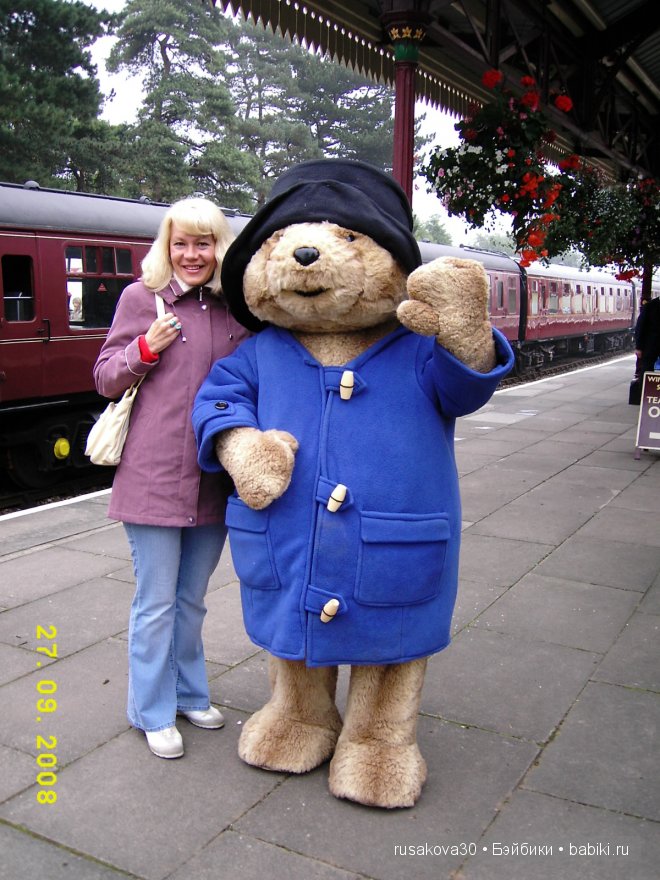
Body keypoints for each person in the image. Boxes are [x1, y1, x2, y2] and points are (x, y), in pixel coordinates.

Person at [93, 198, 250, 759]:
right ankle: (151, 710)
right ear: (167, 245)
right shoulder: (143, 299)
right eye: (181, 242)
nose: (192, 254)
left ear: (218, 248)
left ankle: (188, 692)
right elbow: (106, 378)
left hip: (212, 477)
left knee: (191, 599)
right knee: (156, 601)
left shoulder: (235, 308)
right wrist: (143, 349)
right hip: (154, 476)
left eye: (203, 243)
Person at [635, 295, 660, 377]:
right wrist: (639, 347)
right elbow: (641, 326)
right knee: (646, 368)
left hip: (651, 345)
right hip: (651, 345)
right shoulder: (650, 306)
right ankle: (644, 388)